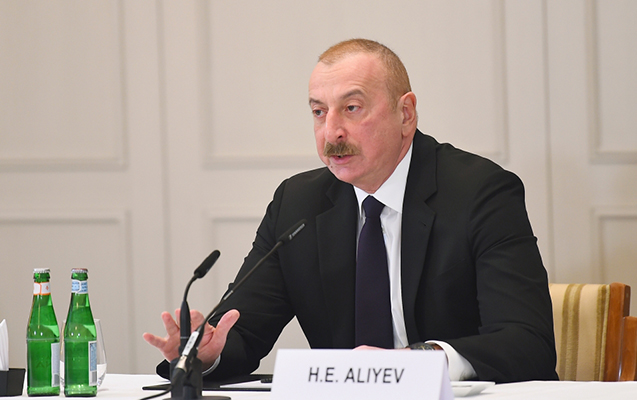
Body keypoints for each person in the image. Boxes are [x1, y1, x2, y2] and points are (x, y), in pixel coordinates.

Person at [143, 38, 558, 383]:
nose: (332, 132)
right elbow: (242, 331)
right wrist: (206, 354)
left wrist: (416, 362)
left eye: (352, 108)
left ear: (405, 114)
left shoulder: (480, 193)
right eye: (319, 112)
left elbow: (526, 342)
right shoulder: (298, 204)